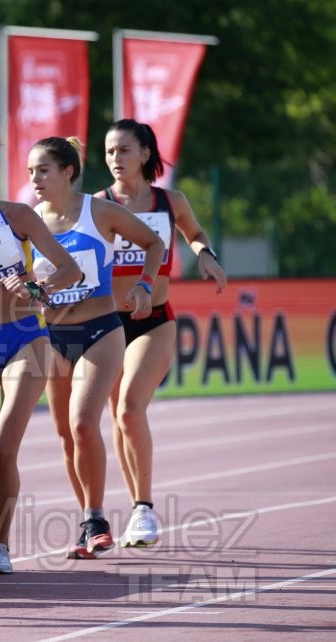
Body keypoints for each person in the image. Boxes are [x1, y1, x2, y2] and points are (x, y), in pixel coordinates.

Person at [23, 136, 164, 560]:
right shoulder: (29, 220)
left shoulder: (98, 211)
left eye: (43, 170)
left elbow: (153, 243)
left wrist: (143, 284)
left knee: (84, 423)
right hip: (54, 337)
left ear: (68, 171)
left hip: (101, 331)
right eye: (30, 171)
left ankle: (99, 519)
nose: (35, 179)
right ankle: (89, 521)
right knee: (67, 437)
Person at [96, 119, 227, 548]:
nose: (116, 159)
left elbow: (194, 232)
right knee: (118, 418)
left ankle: (144, 509)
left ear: (146, 154)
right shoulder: (98, 204)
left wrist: (204, 254)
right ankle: (136, 506)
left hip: (155, 319)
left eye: (124, 151)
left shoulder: (170, 201)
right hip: (107, 322)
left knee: (131, 408)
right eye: (110, 151)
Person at [0, 130, 80, 574]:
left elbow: (70, 268)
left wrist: (37, 286)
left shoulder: (17, 217)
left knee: (2, 448)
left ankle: (1, 546)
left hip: (26, 335)